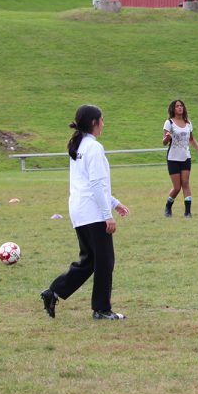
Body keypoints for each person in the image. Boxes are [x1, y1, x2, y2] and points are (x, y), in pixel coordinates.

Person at [40, 105, 131, 320]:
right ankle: (101, 309)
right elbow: (97, 184)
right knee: (104, 261)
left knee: (90, 261)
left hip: (80, 211)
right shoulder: (93, 147)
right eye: (102, 119)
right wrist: (107, 215)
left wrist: (115, 202)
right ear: (94, 122)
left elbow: (89, 182)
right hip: (93, 212)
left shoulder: (79, 145)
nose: (103, 123)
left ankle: (53, 292)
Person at [162, 99, 198, 218]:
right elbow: (164, 142)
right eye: (177, 106)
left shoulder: (188, 123)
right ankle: (168, 207)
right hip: (173, 158)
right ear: (173, 109)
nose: (180, 108)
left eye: (181, 106)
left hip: (185, 157)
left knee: (186, 183)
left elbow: (191, 139)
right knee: (177, 187)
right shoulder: (169, 123)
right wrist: (167, 137)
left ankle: (188, 212)